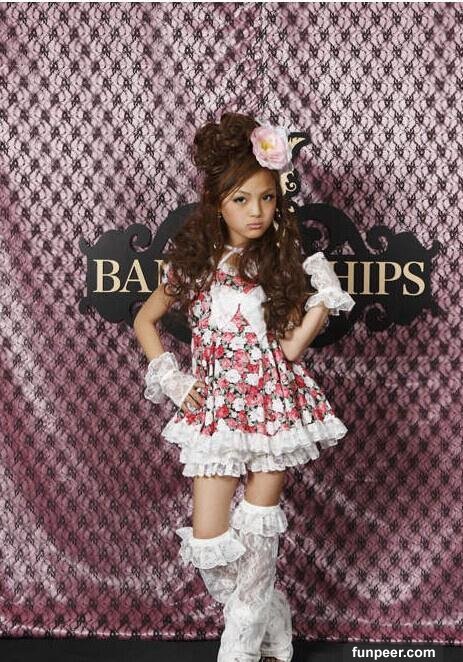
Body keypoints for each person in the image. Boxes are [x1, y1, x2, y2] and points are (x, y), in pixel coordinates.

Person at [133, 112, 355, 662]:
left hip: (273, 408)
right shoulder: (193, 266)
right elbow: (145, 320)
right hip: (216, 411)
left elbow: (289, 351)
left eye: (266, 198)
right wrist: (173, 379)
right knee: (210, 544)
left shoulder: (279, 265)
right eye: (241, 199)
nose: (256, 211)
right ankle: (274, 615)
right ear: (217, 203)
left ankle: (242, 647)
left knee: (258, 536)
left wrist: (323, 302)